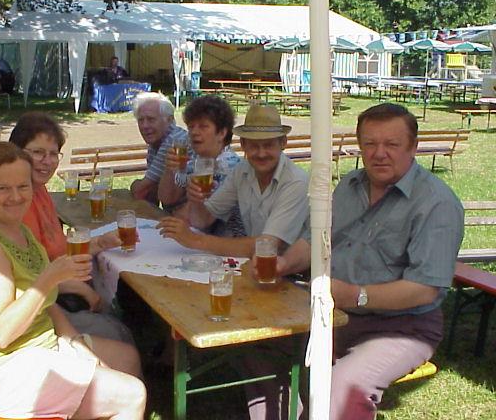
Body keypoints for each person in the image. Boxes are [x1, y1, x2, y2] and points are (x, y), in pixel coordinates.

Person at [250, 103, 464, 419]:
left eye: (392, 144)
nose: (379, 154)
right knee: (260, 346)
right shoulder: (349, 186)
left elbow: (425, 289)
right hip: (335, 315)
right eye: (370, 144)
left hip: (402, 327)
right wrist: (283, 265)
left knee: (344, 387)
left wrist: (354, 295)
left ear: (413, 147)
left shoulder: (437, 203)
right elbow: (315, 241)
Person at [0, 142, 145, 419]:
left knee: (127, 358)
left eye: (23, 186)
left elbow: (47, 305)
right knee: (131, 394)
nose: (15, 196)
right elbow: (1, 334)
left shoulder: (19, 231)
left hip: (38, 346)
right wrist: (49, 278)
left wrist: (74, 341)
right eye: (3, 188)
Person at [9, 111, 134, 343]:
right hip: (46, 305)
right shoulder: (16, 204)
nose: (47, 161)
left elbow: (58, 250)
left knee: (125, 293)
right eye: (38, 152)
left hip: (62, 287)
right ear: (17, 152)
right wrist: (84, 291)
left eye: (53, 154)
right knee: (119, 333)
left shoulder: (39, 190)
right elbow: (30, 275)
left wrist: (100, 242)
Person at [158, 104, 309, 258]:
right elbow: (204, 220)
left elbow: (269, 245)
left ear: (283, 143)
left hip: (289, 268)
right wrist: (196, 200)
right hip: (255, 262)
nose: (261, 153)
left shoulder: (296, 181)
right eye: (254, 146)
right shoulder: (242, 170)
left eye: (268, 145)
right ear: (243, 145)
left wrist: (195, 240)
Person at [157, 94, 244, 236]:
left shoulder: (229, 167)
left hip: (226, 243)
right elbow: (167, 198)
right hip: (198, 238)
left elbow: (199, 220)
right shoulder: (197, 161)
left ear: (222, 133)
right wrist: (169, 169)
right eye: (191, 127)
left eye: (203, 126)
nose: (194, 132)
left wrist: (179, 211)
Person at [130, 92, 187, 204]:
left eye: (151, 119)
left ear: (169, 120)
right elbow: (151, 192)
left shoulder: (175, 142)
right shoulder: (156, 142)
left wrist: (135, 184)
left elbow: (140, 190)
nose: (145, 126)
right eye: (141, 120)